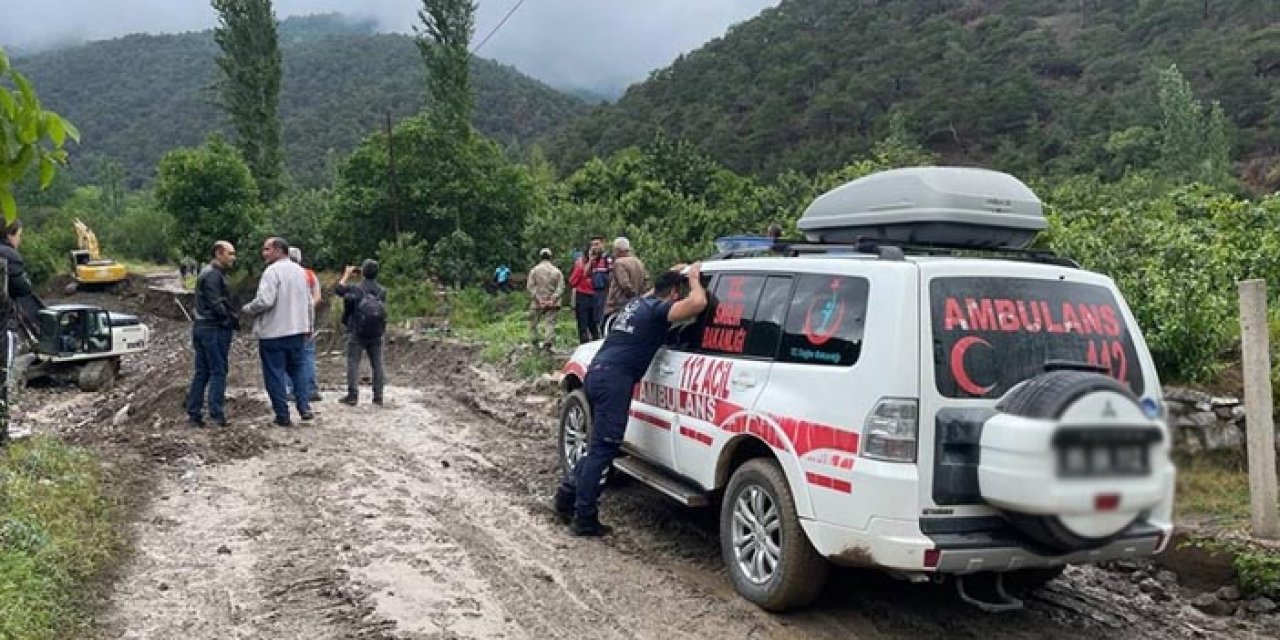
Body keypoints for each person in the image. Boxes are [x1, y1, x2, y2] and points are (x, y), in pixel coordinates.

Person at [553, 263, 708, 536]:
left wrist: (671, 273)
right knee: (604, 449)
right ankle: (584, 518)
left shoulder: (639, 305)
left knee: (598, 445)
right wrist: (695, 280)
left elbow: (654, 293)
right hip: (615, 381)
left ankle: (566, 497)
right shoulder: (660, 310)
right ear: (674, 293)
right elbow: (697, 304)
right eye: (678, 294)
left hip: (597, 373)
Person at [242, 237, 314, 427]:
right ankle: (304, 406)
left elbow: (265, 300)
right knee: (298, 370)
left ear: (279, 250)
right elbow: (309, 303)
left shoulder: (271, 272)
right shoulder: (301, 272)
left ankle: (282, 415)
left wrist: (249, 309)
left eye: (267, 249)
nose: (263, 253)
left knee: (274, 374)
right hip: (297, 330)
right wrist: (309, 327)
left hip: (274, 332)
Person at [185, 241, 238, 427]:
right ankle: (216, 414)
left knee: (202, 371)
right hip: (213, 328)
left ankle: (194, 413)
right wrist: (230, 319)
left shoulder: (207, 273)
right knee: (218, 371)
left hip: (202, 327)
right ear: (218, 253)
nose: (233, 258)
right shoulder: (213, 276)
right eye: (230, 254)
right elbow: (216, 303)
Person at [335, 259, 387, 406]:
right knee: (377, 364)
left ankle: (352, 395)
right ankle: (378, 397)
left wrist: (346, 275)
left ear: (362, 272)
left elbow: (339, 290)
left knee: (353, 362)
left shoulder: (355, 289)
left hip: (356, 331)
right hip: (376, 333)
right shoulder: (382, 291)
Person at [285, 247, 323, 403]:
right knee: (307, 354)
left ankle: (292, 390)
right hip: (307, 321)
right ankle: (311, 388)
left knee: (287, 356)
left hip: (288, 322)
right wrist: (308, 308)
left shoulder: (284, 274)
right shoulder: (310, 275)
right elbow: (317, 297)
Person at [0, 220, 43, 336]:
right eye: (19, 235)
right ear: (9, 235)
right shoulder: (9, 255)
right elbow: (22, 288)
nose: (20, 240)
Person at [603, 237, 648, 328]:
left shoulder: (619, 263)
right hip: (637, 303)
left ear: (618, 250)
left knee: (606, 328)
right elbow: (646, 281)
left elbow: (624, 284)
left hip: (619, 305)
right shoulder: (638, 262)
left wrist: (632, 296)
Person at [526, 248, 565, 350]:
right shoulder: (557, 271)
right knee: (550, 323)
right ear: (550, 257)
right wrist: (552, 299)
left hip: (537, 303)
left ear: (540, 257)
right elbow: (561, 287)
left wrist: (539, 299)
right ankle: (547, 345)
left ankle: (535, 343)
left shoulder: (534, 270)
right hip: (553, 303)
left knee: (533, 323)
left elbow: (530, 286)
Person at [567, 243, 601, 343]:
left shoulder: (601, 264)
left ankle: (596, 342)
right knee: (583, 322)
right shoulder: (581, 264)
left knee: (593, 323)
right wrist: (590, 262)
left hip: (595, 295)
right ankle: (584, 342)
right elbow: (572, 281)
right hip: (583, 294)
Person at [586, 236, 612, 334]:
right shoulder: (594, 260)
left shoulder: (607, 258)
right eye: (592, 245)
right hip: (595, 291)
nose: (594, 247)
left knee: (603, 316)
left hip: (605, 291)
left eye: (596, 244)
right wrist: (590, 260)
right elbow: (586, 274)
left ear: (602, 244)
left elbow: (612, 275)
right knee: (596, 317)